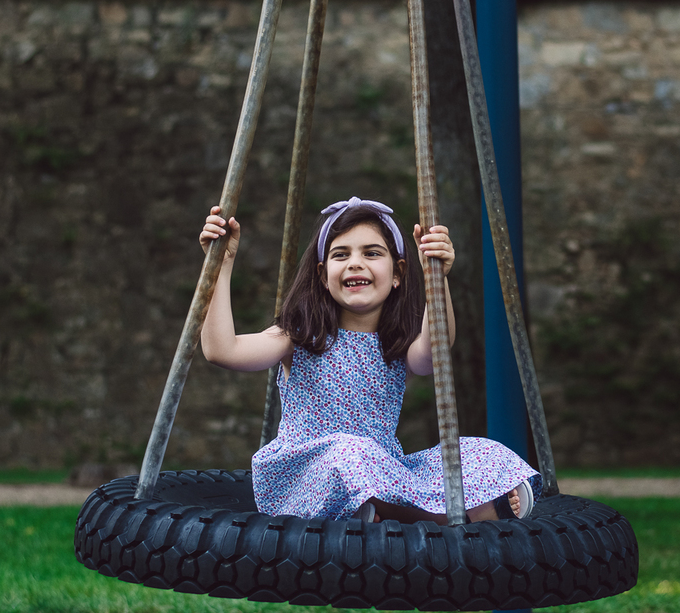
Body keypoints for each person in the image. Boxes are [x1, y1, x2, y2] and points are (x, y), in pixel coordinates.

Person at [199, 196, 539, 524]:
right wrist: (221, 265)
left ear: (397, 274)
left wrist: (437, 277)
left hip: (382, 470)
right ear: (322, 275)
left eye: (372, 253)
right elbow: (222, 351)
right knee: (350, 452)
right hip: (308, 477)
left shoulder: (397, 345)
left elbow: (435, 351)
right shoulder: (300, 335)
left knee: (477, 449)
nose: (355, 263)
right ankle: (452, 516)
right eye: (340, 254)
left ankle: (379, 512)